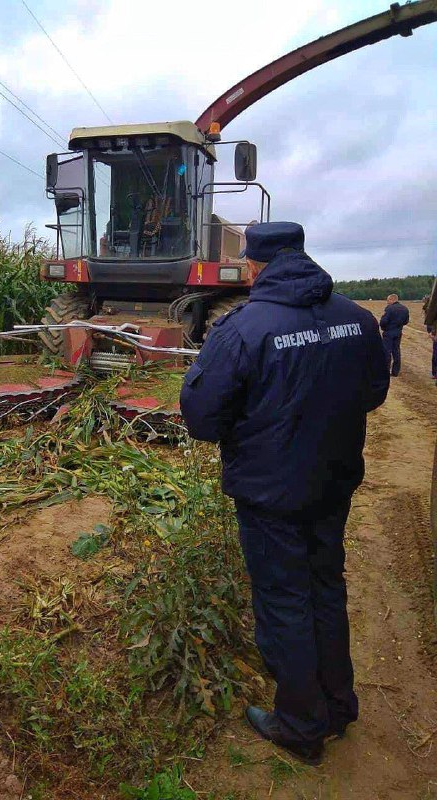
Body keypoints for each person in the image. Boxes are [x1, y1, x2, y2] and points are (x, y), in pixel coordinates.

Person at [180, 222, 390, 766]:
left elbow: (201, 417)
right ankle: (338, 706)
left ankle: (300, 725)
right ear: (300, 254)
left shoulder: (244, 329)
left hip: (271, 494)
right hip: (333, 483)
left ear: (253, 267)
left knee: (284, 601)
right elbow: (373, 392)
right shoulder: (357, 319)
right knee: (326, 588)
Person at [379, 294, 409, 377]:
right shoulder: (405, 309)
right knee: (396, 351)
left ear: (392, 299)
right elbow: (406, 321)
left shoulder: (389, 309)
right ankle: (395, 372)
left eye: (388, 300)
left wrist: (383, 327)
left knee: (387, 351)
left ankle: (385, 370)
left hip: (389, 332)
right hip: (398, 332)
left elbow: (383, 321)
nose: (387, 302)